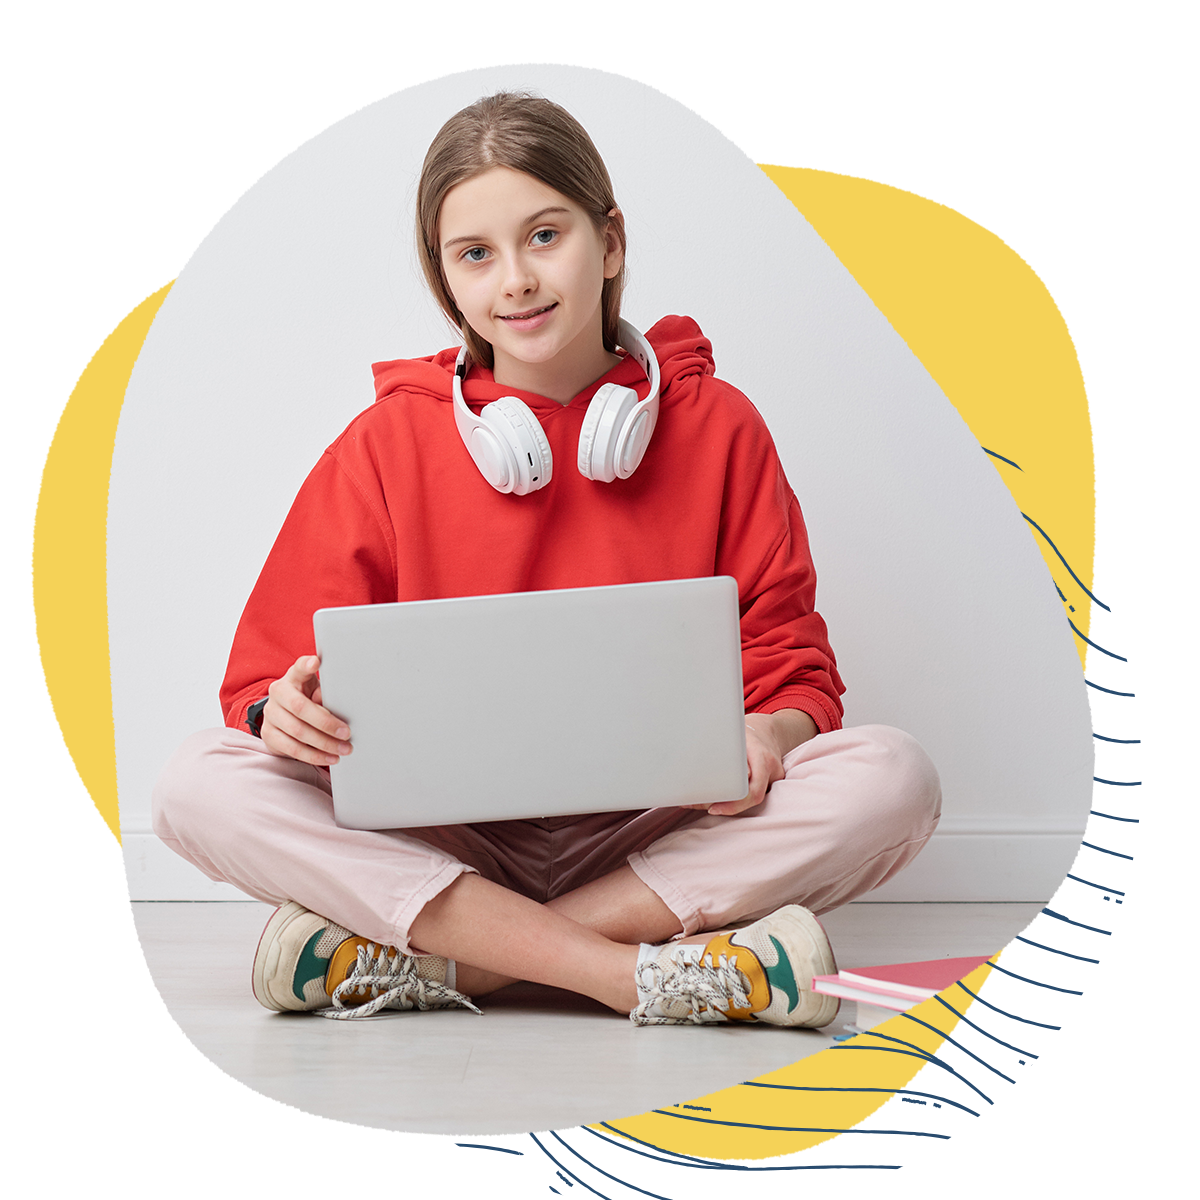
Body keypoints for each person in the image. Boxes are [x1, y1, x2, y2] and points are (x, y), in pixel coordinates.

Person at [153, 92, 942, 1027]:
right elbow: (262, 680)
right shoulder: (382, 444)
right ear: (446, 282)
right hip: (443, 838)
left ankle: (451, 964)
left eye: (543, 235)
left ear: (608, 244)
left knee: (894, 776)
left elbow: (792, 664)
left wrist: (769, 736)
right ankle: (630, 975)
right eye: (475, 254)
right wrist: (284, 711)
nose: (515, 280)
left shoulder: (721, 427)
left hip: (661, 834)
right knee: (195, 783)